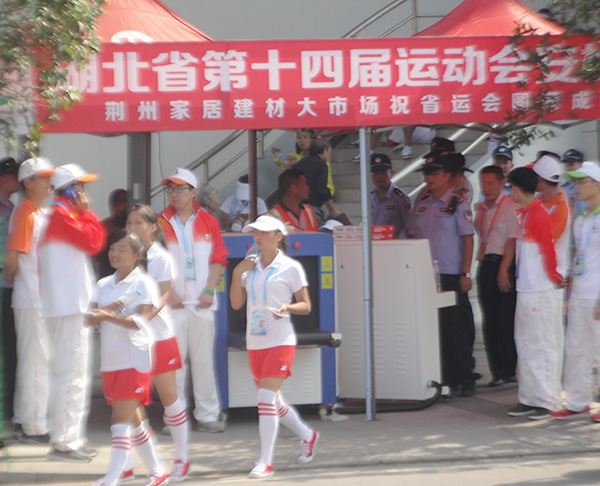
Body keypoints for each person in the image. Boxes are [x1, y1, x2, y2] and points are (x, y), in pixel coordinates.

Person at [229, 215, 318, 479]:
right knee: (273, 401)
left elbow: (306, 305)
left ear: (279, 236)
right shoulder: (249, 266)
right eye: (255, 232)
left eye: (264, 232)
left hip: (281, 340)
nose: (257, 236)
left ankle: (265, 461)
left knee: (265, 399)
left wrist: (287, 307)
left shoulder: (290, 267)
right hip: (255, 341)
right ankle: (307, 434)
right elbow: (236, 304)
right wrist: (236, 272)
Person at [87, 230, 168, 486]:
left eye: (121, 249)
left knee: (119, 421)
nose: (114, 253)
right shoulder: (103, 284)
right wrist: (108, 311)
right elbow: (89, 319)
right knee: (134, 421)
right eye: (112, 248)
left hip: (134, 360)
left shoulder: (143, 283)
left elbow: (140, 321)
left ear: (137, 255)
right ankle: (157, 471)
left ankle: (112, 478)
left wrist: (107, 316)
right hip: (110, 361)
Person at [40, 163, 106, 461]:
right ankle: (65, 442)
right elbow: (95, 242)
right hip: (68, 307)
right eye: (80, 186)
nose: (84, 192)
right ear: (68, 190)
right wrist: (87, 212)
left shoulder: (62, 216)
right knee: (71, 374)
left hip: (68, 306)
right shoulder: (61, 216)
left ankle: (70, 438)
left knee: (73, 373)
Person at [158, 168, 228, 433]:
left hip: (201, 303)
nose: (174, 194)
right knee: (174, 364)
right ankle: (174, 418)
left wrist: (209, 291)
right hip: (172, 305)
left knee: (203, 362)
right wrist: (168, 292)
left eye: (179, 189)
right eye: (170, 189)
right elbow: (152, 261)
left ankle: (207, 415)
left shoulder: (209, 221)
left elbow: (218, 259)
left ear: (193, 192)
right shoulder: (160, 222)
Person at [125, 204, 189, 481]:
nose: (131, 227)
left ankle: (182, 457)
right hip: (133, 339)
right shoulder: (126, 255)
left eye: (138, 223)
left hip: (159, 338)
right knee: (127, 401)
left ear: (153, 228)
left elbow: (163, 296)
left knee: (169, 398)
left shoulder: (160, 257)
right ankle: (127, 462)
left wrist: (144, 318)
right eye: (129, 223)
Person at [407, 153, 476, 397]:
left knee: (454, 328)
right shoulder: (422, 202)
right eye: (426, 173)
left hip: (449, 273)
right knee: (433, 328)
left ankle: (465, 378)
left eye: (434, 172)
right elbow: (412, 234)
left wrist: (466, 272)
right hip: (425, 273)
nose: (429, 177)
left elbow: (468, 239)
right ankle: (445, 378)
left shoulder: (458, 203)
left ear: (447, 175)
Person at [506, 167, 565, 421]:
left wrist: (553, 276)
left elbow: (548, 250)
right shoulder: (526, 214)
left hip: (539, 290)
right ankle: (529, 398)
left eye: (509, 188)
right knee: (526, 344)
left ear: (516, 188)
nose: (509, 193)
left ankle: (547, 400)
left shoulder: (538, 215)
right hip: (526, 289)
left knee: (541, 345)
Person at [3, 158, 55, 443]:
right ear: (28, 183)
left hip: (36, 299)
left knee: (33, 360)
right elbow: (12, 258)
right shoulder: (26, 213)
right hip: (32, 300)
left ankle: (26, 418)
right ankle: (33, 426)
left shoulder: (36, 211)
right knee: (36, 361)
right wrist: (13, 279)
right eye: (43, 177)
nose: (49, 182)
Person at [551, 162, 600, 421]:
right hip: (580, 294)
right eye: (575, 182)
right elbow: (577, 259)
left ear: (597, 184)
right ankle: (577, 402)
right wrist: (569, 297)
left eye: (582, 181)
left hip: (596, 295)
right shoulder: (581, 218)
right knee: (575, 349)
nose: (576, 187)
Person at [473, 165, 519, 387]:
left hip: (504, 264)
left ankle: (509, 368)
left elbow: (512, 240)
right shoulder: (480, 208)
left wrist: (503, 269)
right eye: (483, 183)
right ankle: (497, 372)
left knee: (505, 319)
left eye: (490, 183)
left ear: (501, 183)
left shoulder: (510, 206)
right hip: (485, 263)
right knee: (489, 319)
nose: (486, 188)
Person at [532, 155, 570, 318]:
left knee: (548, 327)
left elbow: (542, 242)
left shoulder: (560, 209)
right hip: (537, 279)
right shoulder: (539, 204)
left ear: (541, 180)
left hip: (552, 282)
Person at [0, 156, 20, 424]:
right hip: (4, 286)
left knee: (11, 349)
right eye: (14, 175)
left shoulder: (13, 208)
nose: (19, 180)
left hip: (10, 288)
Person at [272, 129, 335, 197]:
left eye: (305, 137)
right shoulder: (297, 154)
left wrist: (295, 166)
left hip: (322, 191)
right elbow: (284, 162)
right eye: (299, 138)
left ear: (311, 139)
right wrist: (277, 154)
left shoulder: (320, 154)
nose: (301, 140)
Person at [294, 140, 339, 226]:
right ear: (324, 152)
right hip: (310, 207)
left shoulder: (299, 164)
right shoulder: (321, 165)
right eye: (329, 153)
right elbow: (321, 189)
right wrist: (331, 208)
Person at [370, 153, 412, 239]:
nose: (379, 177)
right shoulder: (369, 198)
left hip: (395, 245)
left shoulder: (401, 198)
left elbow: (410, 228)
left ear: (391, 173)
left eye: (383, 172)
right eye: (375, 173)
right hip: (374, 245)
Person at [268, 168, 318, 232]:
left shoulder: (309, 210)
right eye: (304, 184)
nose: (307, 187)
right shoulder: (273, 216)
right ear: (293, 188)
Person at [95, 189, 128, 279]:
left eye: (122, 203)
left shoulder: (133, 227)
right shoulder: (103, 227)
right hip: (107, 274)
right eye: (116, 204)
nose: (119, 208)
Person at [560, 149, 586, 217]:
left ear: (581, 164)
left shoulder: (592, 185)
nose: (568, 168)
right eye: (566, 165)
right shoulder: (564, 189)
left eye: (571, 164)